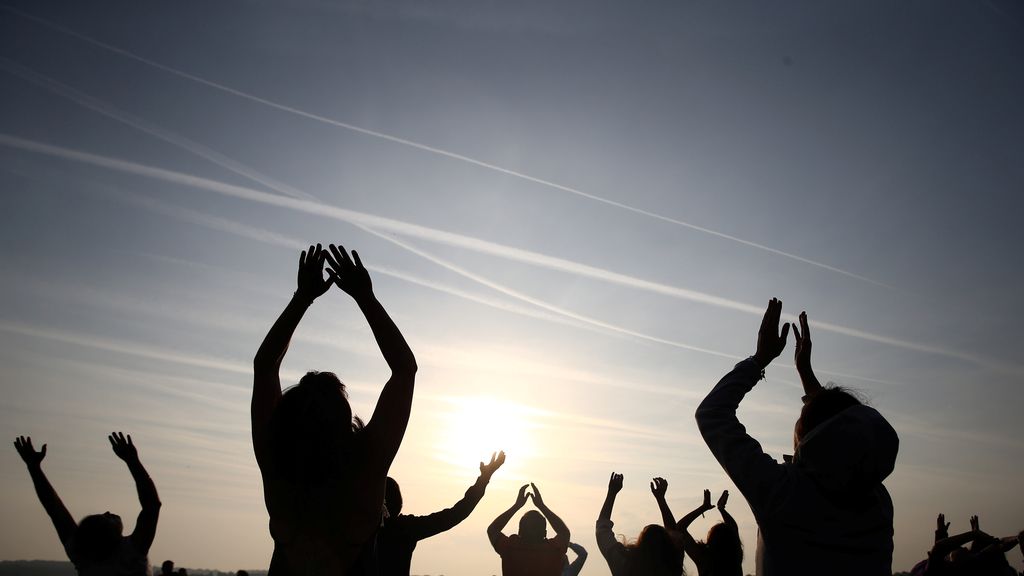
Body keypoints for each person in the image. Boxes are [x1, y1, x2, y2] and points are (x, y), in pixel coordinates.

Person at [695, 299, 899, 576]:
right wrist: (805, 373)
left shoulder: (782, 493)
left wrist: (759, 360)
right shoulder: (878, 504)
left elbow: (712, 413)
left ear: (809, 439)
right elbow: (847, 434)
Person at [252, 244, 418, 575]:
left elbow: (265, 367)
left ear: (287, 417)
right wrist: (364, 298)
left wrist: (303, 298)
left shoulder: (276, 460)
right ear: (343, 420)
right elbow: (404, 370)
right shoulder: (367, 467)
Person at [13, 433, 161, 576]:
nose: (108, 512)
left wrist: (34, 468)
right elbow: (152, 505)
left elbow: (54, 508)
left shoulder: (81, 554)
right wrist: (132, 461)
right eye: (106, 518)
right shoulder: (131, 551)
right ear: (107, 534)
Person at [378, 451, 506, 576]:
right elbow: (457, 513)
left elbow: (456, 513)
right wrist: (484, 479)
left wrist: (484, 479)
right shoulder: (405, 528)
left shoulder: (373, 526)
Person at [596, 473, 683, 576]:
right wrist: (661, 499)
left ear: (642, 541)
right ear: (668, 544)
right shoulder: (673, 564)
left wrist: (611, 493)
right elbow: (675, 534)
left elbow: (602, 529)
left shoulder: (624, 563)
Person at [488, 483, 570, 576]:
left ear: (519, 531)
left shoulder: (510, 547)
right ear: (545, 533)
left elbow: (493, 530)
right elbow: (564, 532)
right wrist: (541, 506)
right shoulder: (554, 549)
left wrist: (516, 506)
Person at [662, 484, 742, 576]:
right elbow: (733, 529)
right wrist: (721, 509)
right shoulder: (735, 558)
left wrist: (703, 507)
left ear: (712, 540)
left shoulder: (704, 559)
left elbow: (680, 528)